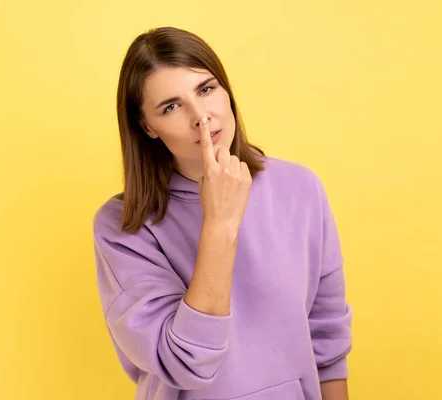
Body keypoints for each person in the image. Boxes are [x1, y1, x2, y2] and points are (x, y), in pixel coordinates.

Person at [92, 26, 353, 400]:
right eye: (171, 106)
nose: (201, 116)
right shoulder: (122, 228)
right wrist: (220, 222)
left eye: (206, 89)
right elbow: (187, 362)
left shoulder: (300, 188)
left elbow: (327, 341)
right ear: (147, 126)